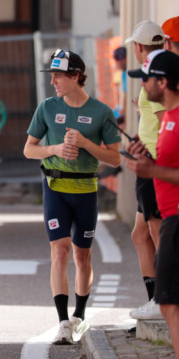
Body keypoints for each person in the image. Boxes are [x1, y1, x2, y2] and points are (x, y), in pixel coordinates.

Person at [23, 49, 120, 345]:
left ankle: (80, 316)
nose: (53, 81)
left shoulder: (102, 111)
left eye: (58, 76)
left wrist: (86, 143)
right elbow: (29, 149)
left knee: (82, 255)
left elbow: (115, 159)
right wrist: (54, 149)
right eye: (51, 76)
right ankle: (63, 322)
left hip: (86, 190)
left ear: (76, 76)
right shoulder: (47, 108)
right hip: (55, 188)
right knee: (60, 251)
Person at [125, 49, 179, 359]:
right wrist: (145, 157)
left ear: (164, 82)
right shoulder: (167, 118)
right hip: (170, 216)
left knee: (170, 299)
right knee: (169, 301)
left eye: (147, 79)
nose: (143, 85)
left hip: (176, 218)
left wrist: (152, 170)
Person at [124, 22, 165, 321]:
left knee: (156, 230)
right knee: (140, 234)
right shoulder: (156, 71)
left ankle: (165, 299)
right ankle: (156, 299)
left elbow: (167, 119)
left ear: (138, 47)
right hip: (149, 157)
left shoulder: (156, 75)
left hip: (154, 162)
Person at [113, 46, 127, 125]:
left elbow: (127, 96)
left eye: (122, 58)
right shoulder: (123, 73)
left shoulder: (127, 73)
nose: (119, 61)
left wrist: (123, 114)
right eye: (117, 59)